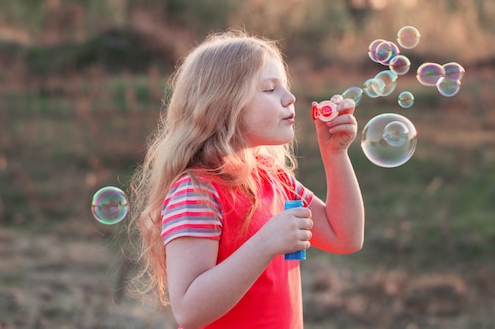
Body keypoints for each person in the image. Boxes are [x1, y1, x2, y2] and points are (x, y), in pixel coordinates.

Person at [130, 30, 364, 329]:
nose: (290, 98)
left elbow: (345, 237)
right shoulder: (196, 192)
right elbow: (189, 310)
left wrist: (335, 154)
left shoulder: (275, 178)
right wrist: (265, 242)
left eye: (285, 87)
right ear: (224, 105)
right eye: (269, 89)